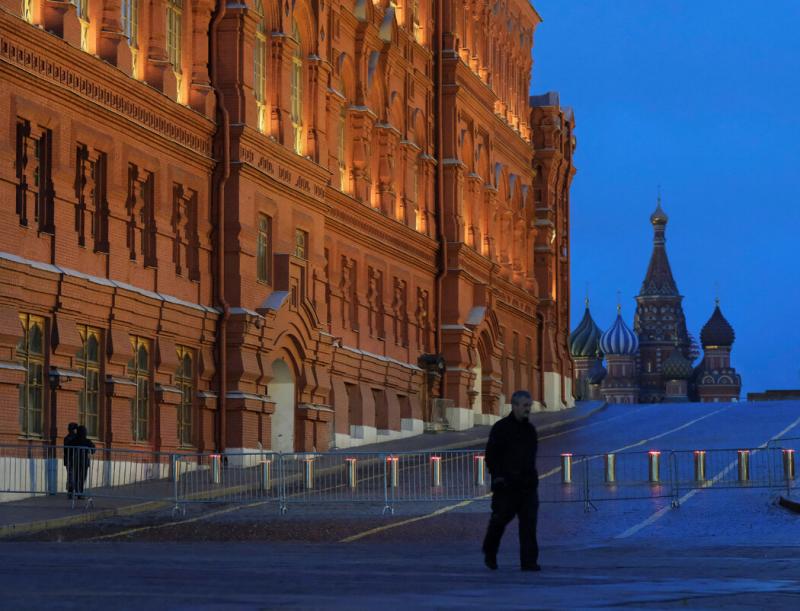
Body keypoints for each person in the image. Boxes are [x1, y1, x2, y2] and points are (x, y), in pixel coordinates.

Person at [482, 389, 540, 572]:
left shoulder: (530, 430)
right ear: (514, 406)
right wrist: (498, 476)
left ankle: (529, 561)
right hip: (506, 486)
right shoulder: (501, 428)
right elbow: (491, 456)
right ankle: (489, 552)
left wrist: (532, 479)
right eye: (524, 406)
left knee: (529, 525)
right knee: (499, 521)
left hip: (527, 486)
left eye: (529, 406)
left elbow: (531, 458)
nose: (527, 409)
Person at [66, 425, 96, 500]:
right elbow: (93, 450)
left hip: (75, 462)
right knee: (81, 478)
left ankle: (73, 492)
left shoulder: (74, 440)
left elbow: (68, 449)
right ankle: (79, 493)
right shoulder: (87, 441)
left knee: (75, 477)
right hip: (83, 463)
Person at [63, 422, 78, 498]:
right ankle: (72, 491)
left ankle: (70, 492)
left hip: (68, 459)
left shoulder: (66, 438)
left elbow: (65, 450)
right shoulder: (76, 438)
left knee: (70, 476)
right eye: (76, 429)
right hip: (73, 459)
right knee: (73, 476)